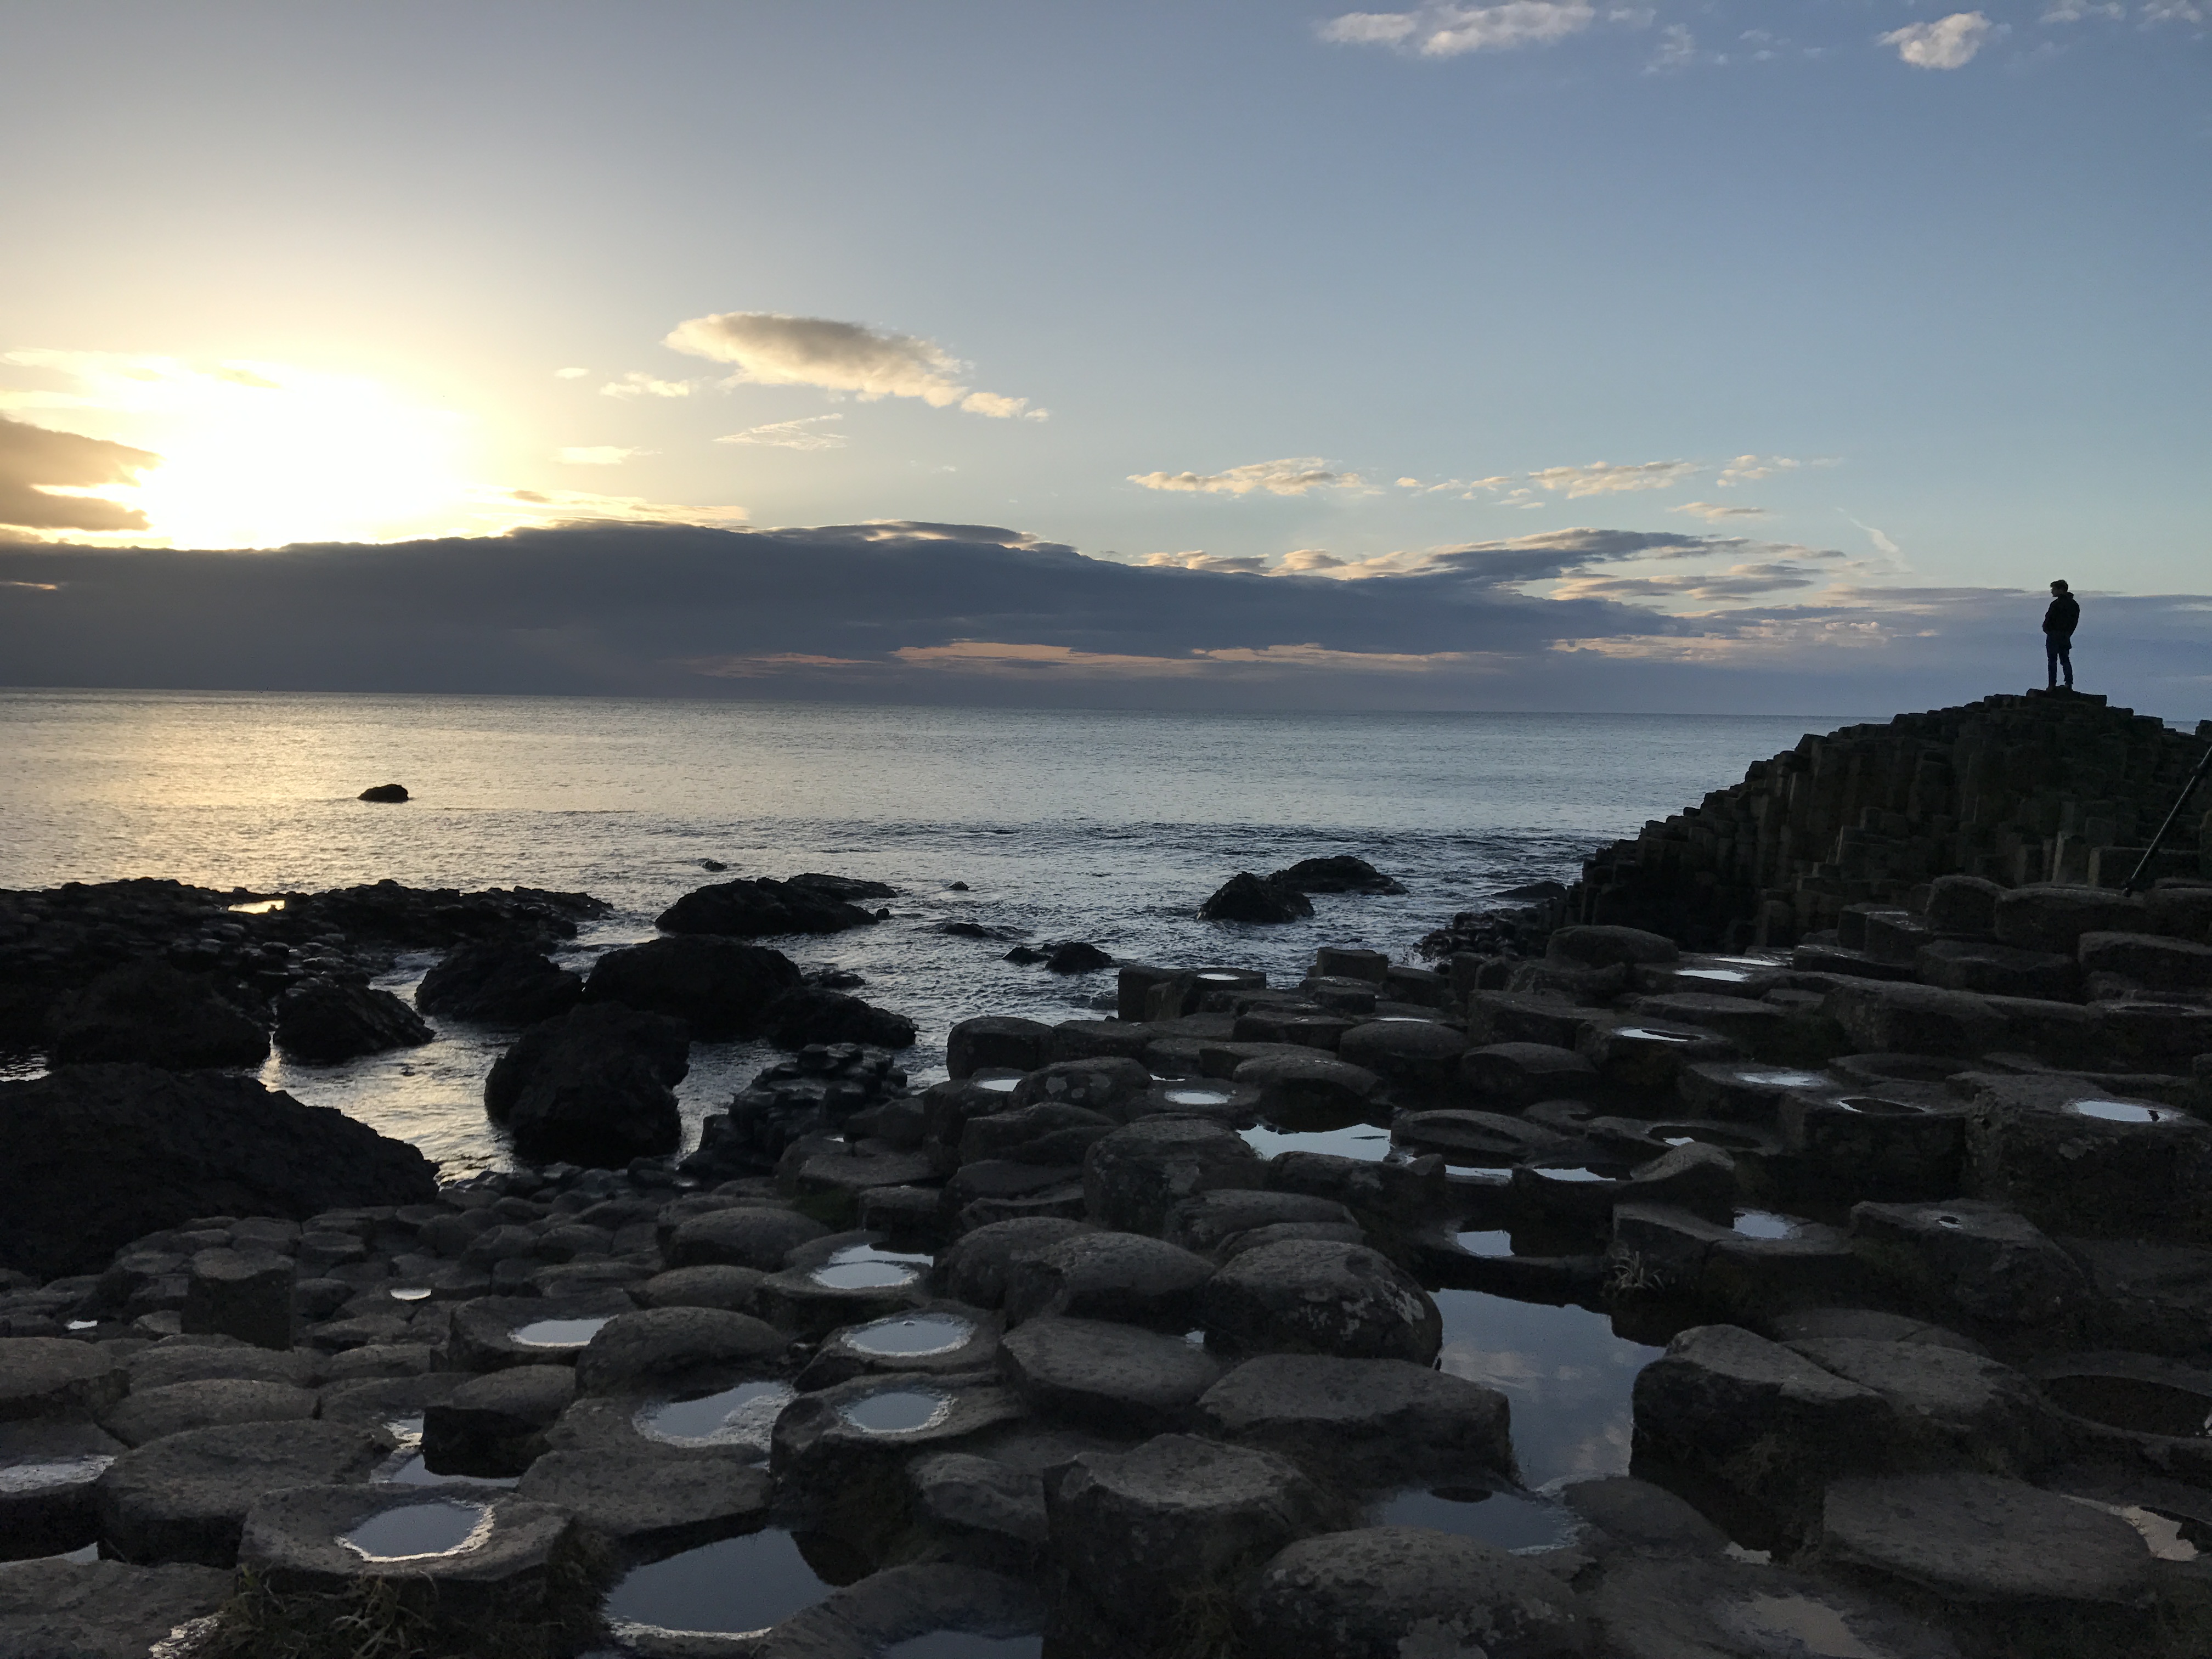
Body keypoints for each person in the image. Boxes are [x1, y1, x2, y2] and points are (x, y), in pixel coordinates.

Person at [2043, 579, 2079, 690]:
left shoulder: (2056, 604)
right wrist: (2068, 634)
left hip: (2054, 635)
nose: (2052, 592)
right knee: (2065, 660)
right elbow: (2074, 622)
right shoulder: (2074, 605)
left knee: (2052, 661)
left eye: (2053, 589)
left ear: (2061, 590)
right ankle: (2069, 684)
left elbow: (2049, 619)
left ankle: (2052, 685)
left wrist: (2048, 630)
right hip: (2065, 636)